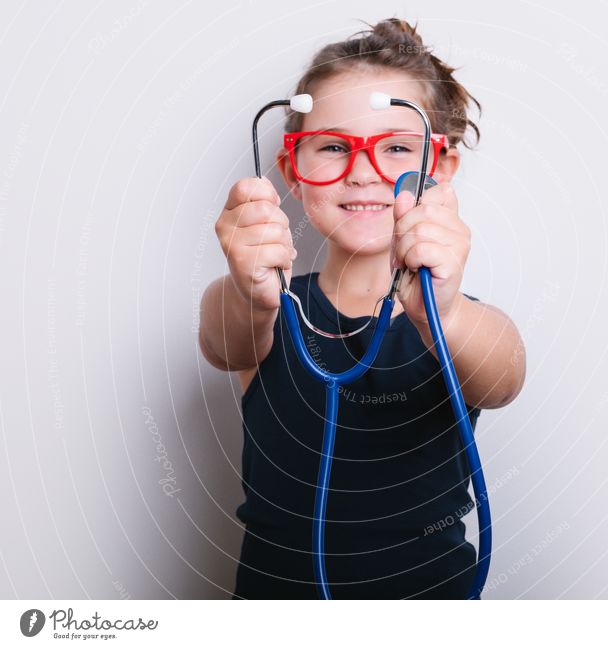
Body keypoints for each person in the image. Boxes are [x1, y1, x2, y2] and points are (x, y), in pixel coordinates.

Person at [199, 17, 526, 599]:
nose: (363, 172)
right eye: (332, 148)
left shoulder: (460, 321)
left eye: (396, 148)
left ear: (440, 168)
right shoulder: (269, 307)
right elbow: (225, 342)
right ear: (292, 172)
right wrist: (249, 289)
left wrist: (441, 313)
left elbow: (503, 379)